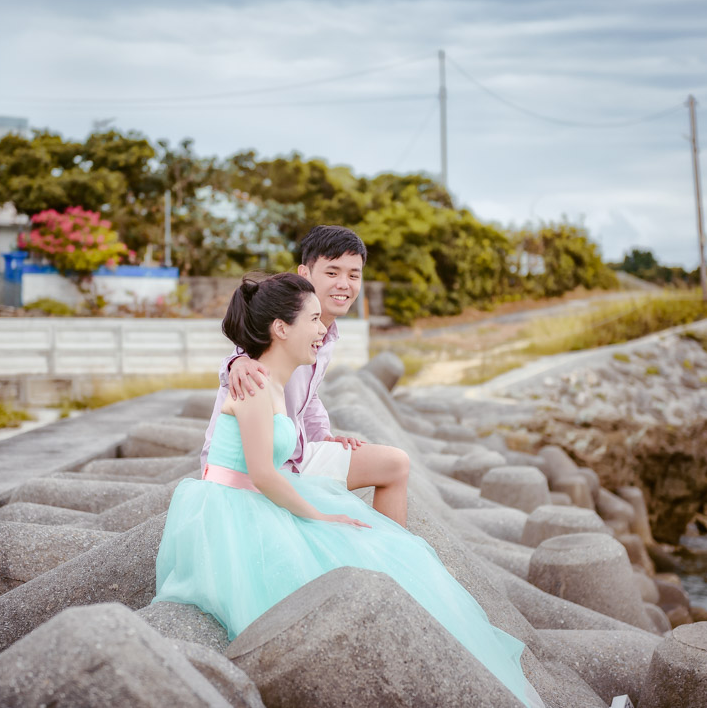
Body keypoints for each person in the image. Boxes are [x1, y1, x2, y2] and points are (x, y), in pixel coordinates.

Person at [155, 273, 544, 708]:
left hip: (260, 495)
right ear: (281, 328)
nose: (322, 331)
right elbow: (263, 474)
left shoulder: (277, 383)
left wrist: (329, 450)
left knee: (384, 549)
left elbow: (293, 436)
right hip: (234, 505)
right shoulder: (255, 385)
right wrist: (318, 516)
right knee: (343, 551)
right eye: (314, 320)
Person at [201, 225, 410, 525]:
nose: (344, 283)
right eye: (332, 272)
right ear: (305, 273)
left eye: (354, 275)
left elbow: (308, 397)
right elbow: (247, 352)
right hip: (251, 467)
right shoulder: (283, 314)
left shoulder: (326, 335)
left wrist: (323, 435)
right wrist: (236, 364)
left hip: (295, 453)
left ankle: (392, 557)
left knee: (395, 464)